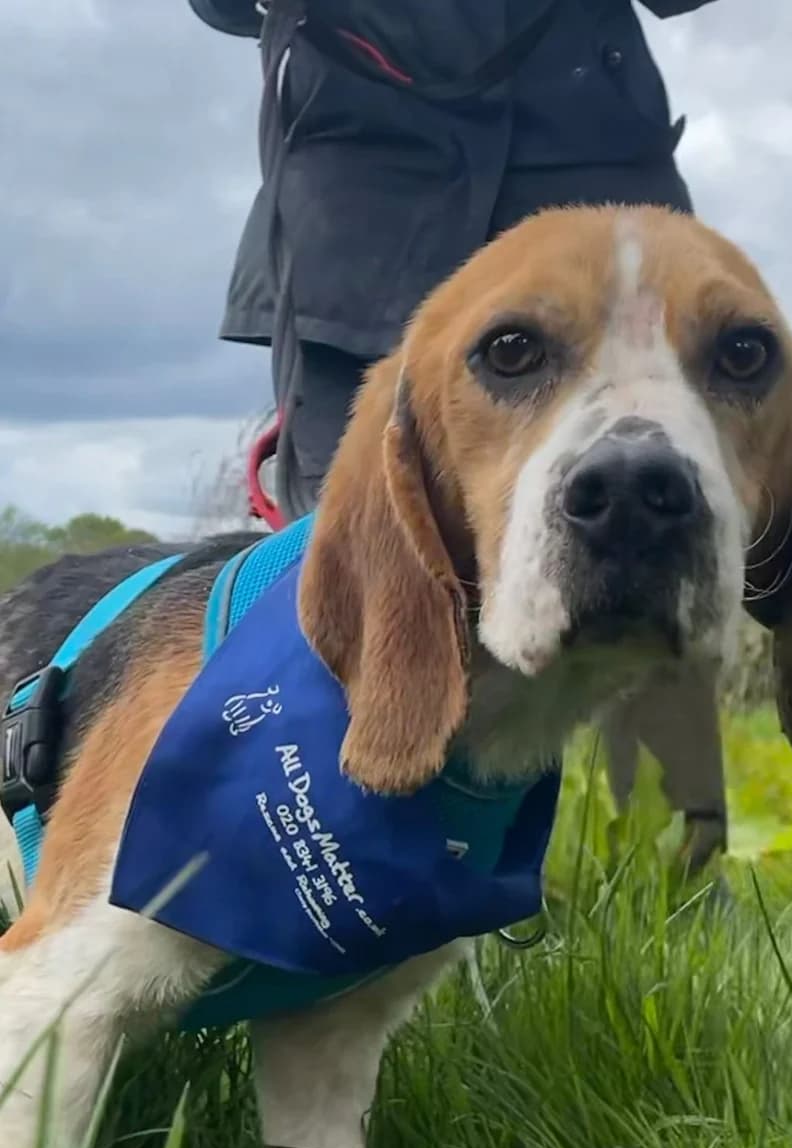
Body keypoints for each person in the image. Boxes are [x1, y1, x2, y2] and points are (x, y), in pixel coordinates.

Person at [190, 0, 729, 870]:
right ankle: (336, 904)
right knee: (357, 573)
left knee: (658, 520)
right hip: (355, 209)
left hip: (586, 182)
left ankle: (676, 883)